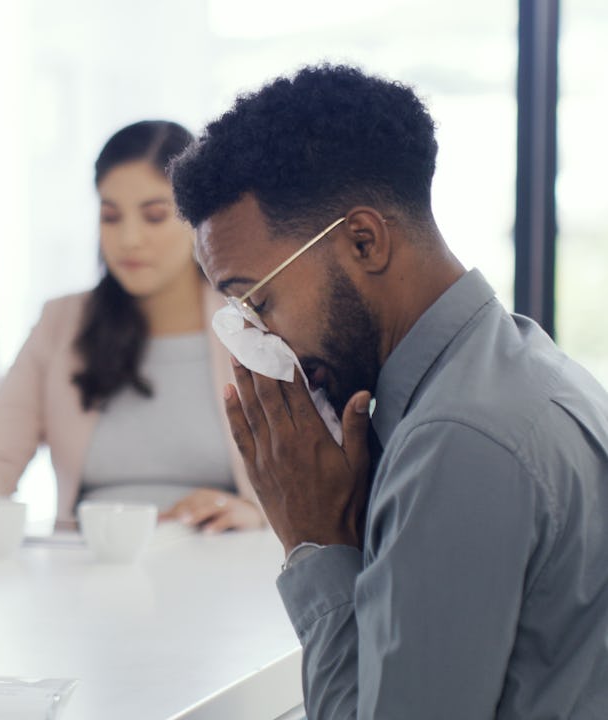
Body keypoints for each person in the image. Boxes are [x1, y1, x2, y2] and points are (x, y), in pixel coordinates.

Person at [169, 64, 608, 718]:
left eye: (260, 300)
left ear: (363, 240)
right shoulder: (516, 367)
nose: (264, 341)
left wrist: (316, 545)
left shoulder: (457, 443)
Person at [0, 120, 264, 539]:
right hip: (88, 566)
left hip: (218, 562)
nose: (128, 239)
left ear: (198, 218)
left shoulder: (252, 325)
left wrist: (256, 515)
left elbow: (306, 481)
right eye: (111, 216)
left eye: (154, 216)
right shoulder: (62, 323)